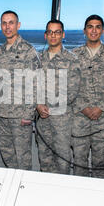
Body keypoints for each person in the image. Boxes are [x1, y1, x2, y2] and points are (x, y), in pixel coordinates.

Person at [71, 15, 104, 179]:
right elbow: (70, 85)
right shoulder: (74, 55)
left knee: (101, 163)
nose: (94, 30)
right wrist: (84, 108)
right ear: (84, 30)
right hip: (80, 118)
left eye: (97, 27)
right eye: (90, 27)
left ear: (102, 30)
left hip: (103, 118)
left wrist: (100, 108)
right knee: (79, 161)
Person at [0, 10, 40, 170]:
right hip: (3, 114)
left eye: (11, 22)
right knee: (7, 153)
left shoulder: (28, 50)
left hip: (20, 115)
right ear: (1, 26)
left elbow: (35, 84)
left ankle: (24, 190)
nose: (7, 27)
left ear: (18, 25)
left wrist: (28, 114)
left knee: (23, 157)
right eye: (4, 23)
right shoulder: (0, 51)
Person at [35, 20, 80, 174]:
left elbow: (73, 90)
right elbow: (32, 85)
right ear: (45, 35)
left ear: (63, 34)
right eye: (50, 32)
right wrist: (38, 104)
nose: (53, 35)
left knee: (62, 159)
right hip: (42, 118)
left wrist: (51, 106)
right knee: (44, 157)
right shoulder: (37, 58)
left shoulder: (72, 59)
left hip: (62, 119)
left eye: (57, 32)